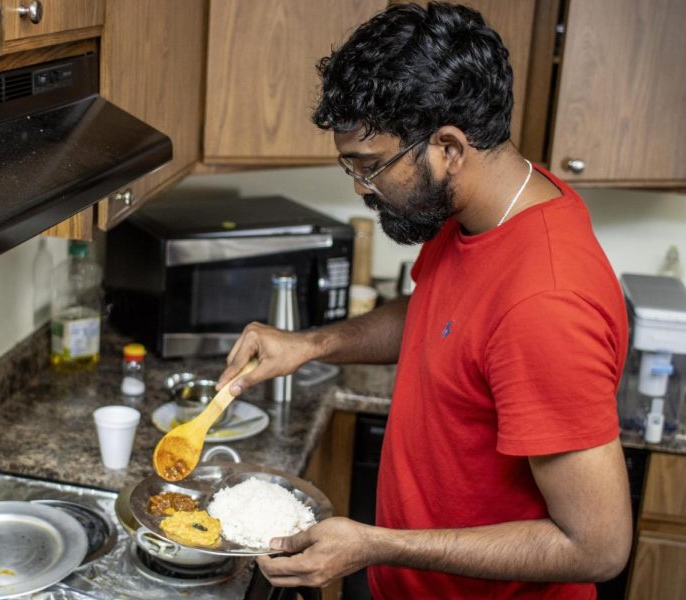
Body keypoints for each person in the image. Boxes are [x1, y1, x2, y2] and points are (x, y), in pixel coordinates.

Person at [216, 3, 632, 598]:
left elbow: (596, 545)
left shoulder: (547, 303)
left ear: (448, 148)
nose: (362, 187)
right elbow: (443, 318)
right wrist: (310, 344)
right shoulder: (476, 211)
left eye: (371, 165)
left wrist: (378, 543)